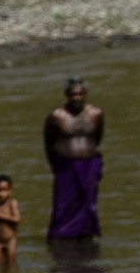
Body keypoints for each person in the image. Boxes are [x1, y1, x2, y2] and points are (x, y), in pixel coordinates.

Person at [44, 77, 105, 242]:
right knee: (63, 207)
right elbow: (49, 143)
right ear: (67, 95)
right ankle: (61, 239)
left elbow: (98, 137)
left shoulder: (96, 114)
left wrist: (86, 154)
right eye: (73, 95)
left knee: (89, 204)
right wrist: (58, 165)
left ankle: (86, 235)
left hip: (89, 164)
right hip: (65, 166)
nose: (77, 98)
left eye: (80, 94)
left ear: (85, 94)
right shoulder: (56, 116)